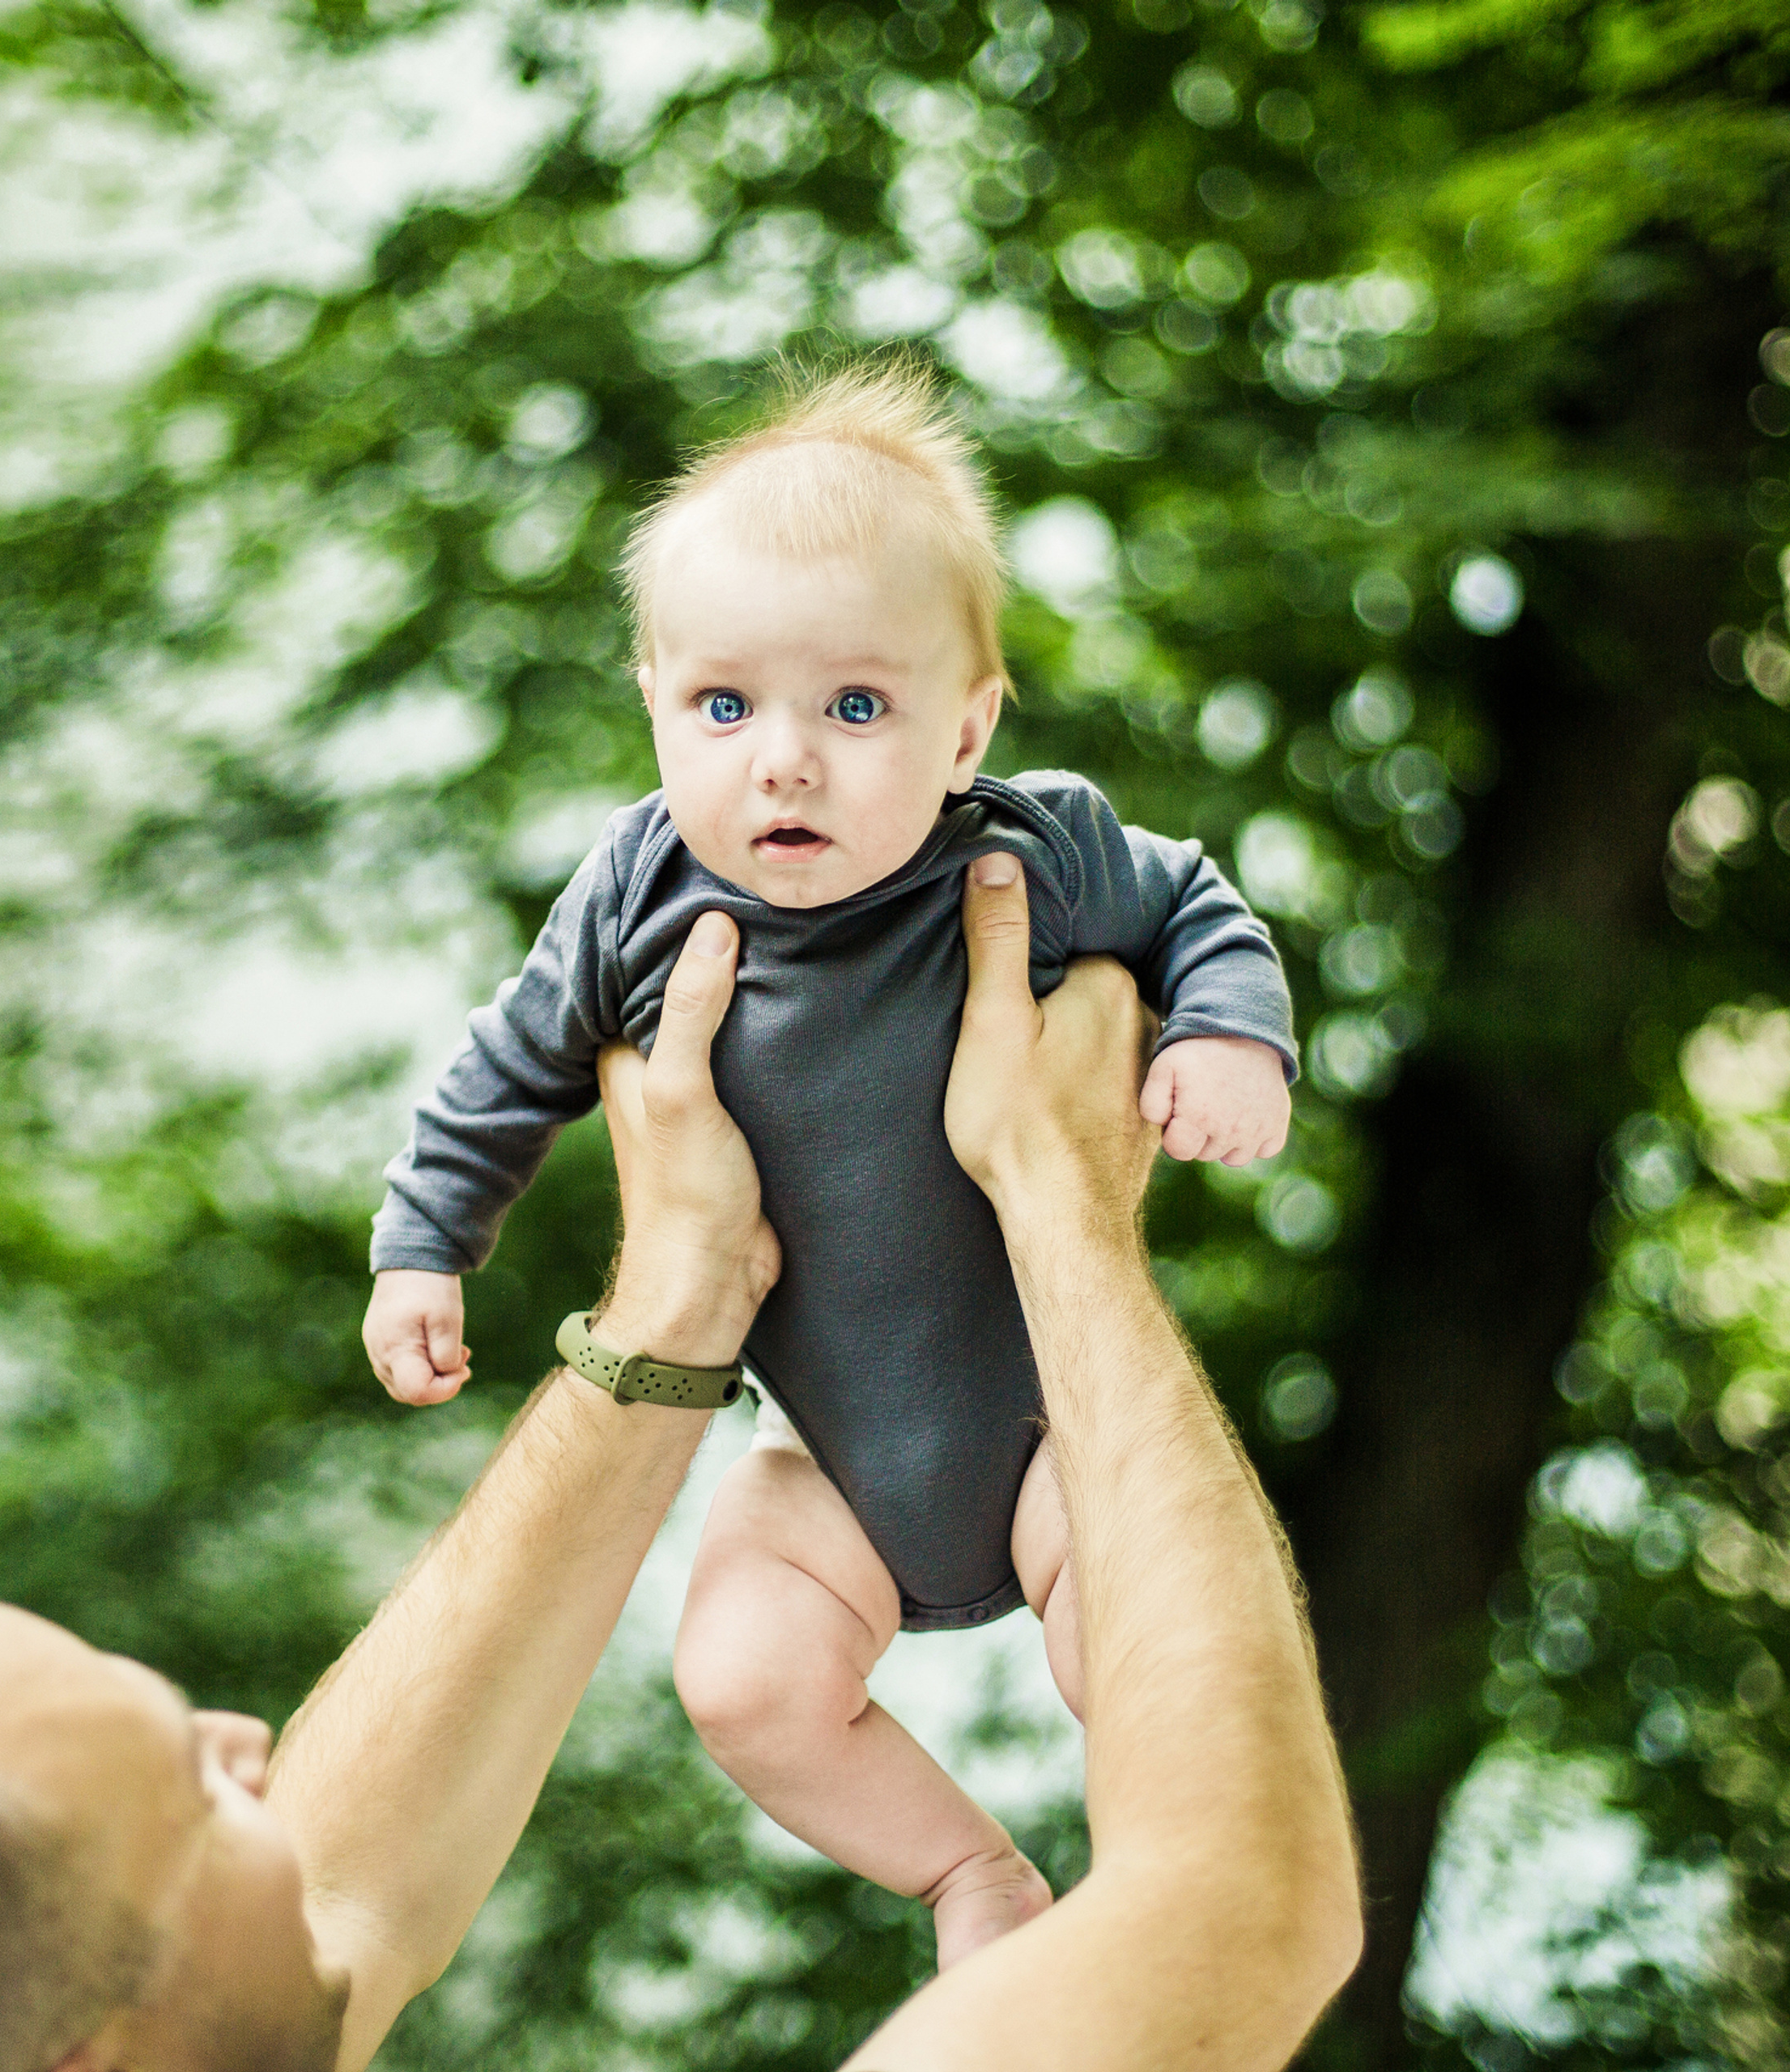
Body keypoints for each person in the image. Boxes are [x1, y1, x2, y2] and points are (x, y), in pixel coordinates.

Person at [0, 860, 1356, 2072]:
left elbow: (346, 1882)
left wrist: (686, 1287)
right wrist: (1057, 1200)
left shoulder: (137, 2008)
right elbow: (1244, 1901)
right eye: (193, 1790)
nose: (251, 1740)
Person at [364, 358, 1297, 1961]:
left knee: (1135, 1636)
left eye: (853, 706)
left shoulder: (1027, 841)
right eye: (723, 706)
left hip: (1042, 1427)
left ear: (964, 721)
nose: (781, 760)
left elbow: (1197, 903)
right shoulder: (633, 893)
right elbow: (508, 1061)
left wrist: (1226, 1035)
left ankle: (1168, 1900)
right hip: (825, 1473)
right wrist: (421, 1236)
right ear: (653, 697)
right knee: (738, 1671)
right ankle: (969, 1874)